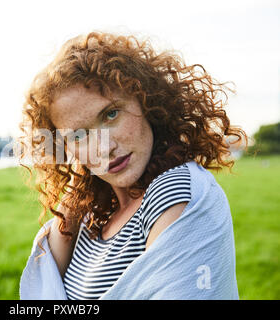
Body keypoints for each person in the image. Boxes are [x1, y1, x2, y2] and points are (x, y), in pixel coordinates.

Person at [16, 31, 248, 300]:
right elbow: (43, 287)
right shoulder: (91, 212)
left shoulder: (172, 192)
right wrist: (82, 170)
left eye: (111, 114)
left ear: (147, 100)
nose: (104, 148)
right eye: (78, 135)